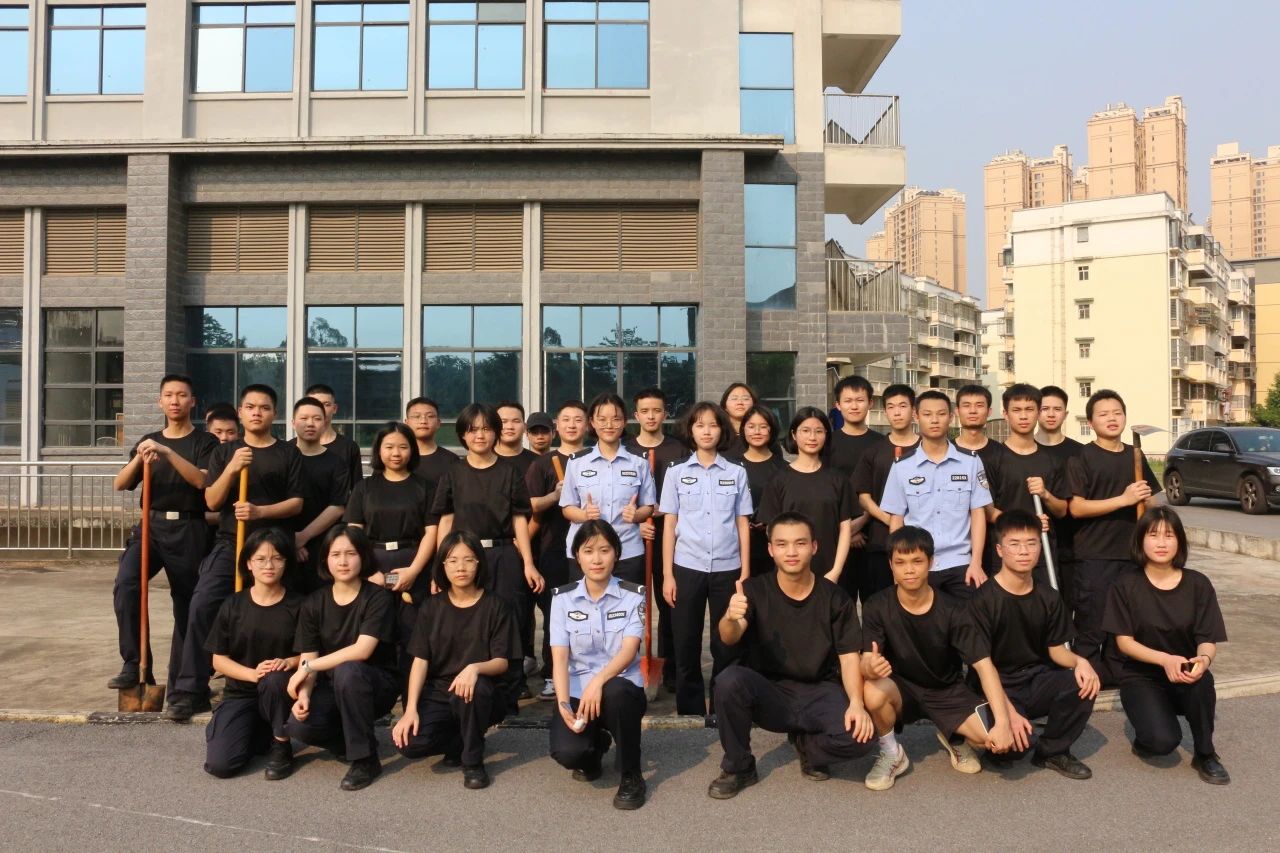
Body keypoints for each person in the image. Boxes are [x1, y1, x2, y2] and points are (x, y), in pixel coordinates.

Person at [707, 512, 874, 799]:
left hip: (820, 690)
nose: (792, 552)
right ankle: (739, 766)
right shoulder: (753, 590)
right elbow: (729, 636)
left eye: (800, 543)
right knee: (728, 681)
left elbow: (849, 657)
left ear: (814, 547)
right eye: (782, 544)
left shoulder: (835, 598)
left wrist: (857, 704)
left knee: (862, 739)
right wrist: (730, 618)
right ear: (770, 549)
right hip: (770, 692)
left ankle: (809, 747)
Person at [168, 384, 303, 722]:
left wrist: (260, 512)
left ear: (274, 414)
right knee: (201, 605)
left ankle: (283, 684)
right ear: (241, 413)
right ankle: (190, 690)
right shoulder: (224, 452)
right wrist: (231, 468)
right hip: (233, 544)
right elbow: (212, 501)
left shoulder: (288, 453)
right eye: (251, 407)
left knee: (283, 612)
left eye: (264, 407)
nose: (257, 412)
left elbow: (297, 503)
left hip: (274, 547)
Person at [859, 526, 1014, 791]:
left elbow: (984, 666)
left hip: (946, 690)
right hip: (902, 688)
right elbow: (864, 661)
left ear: (931, 562)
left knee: (994, 741)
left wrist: (1003, 722)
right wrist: (870, 667)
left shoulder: (955, 609)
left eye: (917, 561)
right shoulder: (876, 605)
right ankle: (892, 753)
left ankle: (953, 735)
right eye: (901, 562)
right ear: (891, 565)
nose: (909, 570)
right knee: (872, 691)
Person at [968, 511, 1099, 780]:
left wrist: (1081, 662)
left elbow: (1056, 650)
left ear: (1040, 547)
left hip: (1036, 679)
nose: (1024, 551)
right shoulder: (982, 601)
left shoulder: (1048, 597)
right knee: (1012, 750)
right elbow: (983, 669)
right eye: (1014, 544)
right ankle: (988, 735)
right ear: (999, 550)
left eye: (1031, 543)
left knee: (1083, 681)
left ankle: (1053, 751)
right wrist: (1008, 714)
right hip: (994, 685)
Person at [1103, 507, 1229, 784]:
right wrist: (1164, 659)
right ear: (1140, 541)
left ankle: (1206, 753)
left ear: (1179, 542)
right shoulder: (1125, 585)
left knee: (1203, 681)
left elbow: (1207, 639)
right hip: (1141, 676)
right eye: (1153, 535)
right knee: (1162, 743)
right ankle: (1149, 729)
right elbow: (1124, 642)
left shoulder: (1198, 584)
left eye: (1169, 535)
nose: (1161, 543)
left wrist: (1203, 661)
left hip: (1185, 671)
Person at [110, 375, 219, 692]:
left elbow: (201, 481)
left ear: (192, 402)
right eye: (168, 395)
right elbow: (120, 483)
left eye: (181, 395)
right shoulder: (148, 440)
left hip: (189, 527)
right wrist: (140, 458)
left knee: (186, 603)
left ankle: (185, 682)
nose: (175, 401)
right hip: (151, 526)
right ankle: (134, 663)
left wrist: (168, 453)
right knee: (127, 584)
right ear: (160, 402)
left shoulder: (205, 442)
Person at [433, 403, 544, 708]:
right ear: (462, 435)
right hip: (465, 557)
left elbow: (519, 519)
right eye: (472, 430)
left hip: (504, 553)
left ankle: (513, 688)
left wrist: (528, 563)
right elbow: (445, 520)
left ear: (496, 432)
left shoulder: (509, 472)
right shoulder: (453, 473)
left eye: (486, 429)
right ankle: (469, 686)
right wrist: (440, 567)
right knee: (470, 620)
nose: (479, 435)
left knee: (512, 617)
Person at [392, 531, 517, 790]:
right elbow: (420, 661)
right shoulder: (431, 607)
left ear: (479, 563)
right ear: (443, 566)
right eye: (453, 560)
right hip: (440, 690)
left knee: (473, 690)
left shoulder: (496, 606)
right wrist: (410, 709)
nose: (461, 567)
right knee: (410, 744)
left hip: (483, 690)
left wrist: (474, 668)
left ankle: (473, 761)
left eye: (469, 560)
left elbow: (502, 661)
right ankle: (460, 740)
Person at [285, 524, 400, 791]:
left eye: (351, 553)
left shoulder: (378, 598)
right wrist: (304, 694)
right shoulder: (313, 602)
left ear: (363, 556)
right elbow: (308, 654)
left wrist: (308, 667)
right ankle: (351, 743)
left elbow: (362, 650)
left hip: (375, 685)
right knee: (300, 727)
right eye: (335, 554)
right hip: (333, 686)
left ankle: (365, 760)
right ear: (325, 559)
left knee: (349, 670)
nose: (343, 561)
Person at [660, 402, 752, 716]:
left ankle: (723, 707)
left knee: (726, 643)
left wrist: (745, 571)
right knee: (686, 643)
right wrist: (668, 575)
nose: (707, 431)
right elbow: (669, 524)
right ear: (691, 430)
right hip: (687, 567)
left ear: (722, 430)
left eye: (713, 425)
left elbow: (742, 523)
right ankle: (690, 712)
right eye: (700, 425)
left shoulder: (736, 472)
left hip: (728, 568)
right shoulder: (676, 472)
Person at [549, 520, 649, 810]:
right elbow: (560, 658)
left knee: (616, 691)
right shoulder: (562, 599)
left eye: (604, 550)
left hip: (621, 688)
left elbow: (629, 651)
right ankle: (594, 749)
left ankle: (631, 774)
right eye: (588, 551)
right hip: (579, 692)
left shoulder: (633, 595)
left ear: (616, 554)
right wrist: (563, 703)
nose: (596, 559)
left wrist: (597, 682)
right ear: (577, 556)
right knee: (568, 753)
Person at [1066, 389, 1161, 686]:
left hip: (1132, 554)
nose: (1111, 418)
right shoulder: (1081, 457)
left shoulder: (1135, 455)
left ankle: (1117, 678)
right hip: (1095, 555)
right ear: (1091, 422)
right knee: (1091, 622)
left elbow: (1152, 501)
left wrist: (1147, 502)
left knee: (1125, 622)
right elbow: (1076, 508)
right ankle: (1084, 680)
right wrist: (1123, 499)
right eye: (1103, 414)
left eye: (1117, 413)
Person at [203, 527, 303, 780]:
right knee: (221, 765)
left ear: (286, 563)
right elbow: (218, 660)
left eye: (277, 558)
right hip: (241, 693)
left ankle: (281, 744)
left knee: (274, 679)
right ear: (248, 563)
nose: (269, 565)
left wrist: (289, 661)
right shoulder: (233, 604)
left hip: (281, 691)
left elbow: (310, 654)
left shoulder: (300, 605)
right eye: (260, 559)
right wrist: (252, 674)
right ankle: (256, 733)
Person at [345, 422, 438, 689]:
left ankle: (413, 693)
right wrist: (368, 571)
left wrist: (414, 571)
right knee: (375, 630)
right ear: (378, 450)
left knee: (413, 633)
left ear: (412, 450)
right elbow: (354, 532)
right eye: (389, 447)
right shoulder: (364, 488)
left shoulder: (425, 487)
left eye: (402, 447)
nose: (396, 453)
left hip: (413, 562)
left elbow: (431, 532)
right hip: (373, 563)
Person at [880, 390, 991, 601]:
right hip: (918, 564)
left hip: (960, 563)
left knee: (969, 619)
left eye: (941, 414)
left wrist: (976, 562)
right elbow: (896, 519)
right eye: (927, 414)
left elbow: (978, 514)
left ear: (951, 417)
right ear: (916, 416)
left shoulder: (970, 462)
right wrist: (899, 570)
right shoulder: (902, 466)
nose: (934, 420)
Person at [625, 386, 687, 693]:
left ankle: (671, 670)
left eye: (657, 411)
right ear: (636, 415)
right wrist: (638, 522)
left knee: (670, 603)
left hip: (670, 537)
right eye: (645, 411)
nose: (651, 416)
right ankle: (627, 666)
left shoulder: (679, 450)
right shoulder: (625, 450)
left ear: (665, 414)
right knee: (630, 604)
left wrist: (662, 513)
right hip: (632, 538)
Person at [526, 400, 589, 700]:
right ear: (557, 427)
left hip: (590, 549)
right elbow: (529, 505)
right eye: (566, 420)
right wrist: (555, 495)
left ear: (587, 425)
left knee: (589, 612)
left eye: (578, 419)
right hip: (553, 549)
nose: (572, 425)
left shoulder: (596, 459)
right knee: (557, 614)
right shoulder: (542, 464)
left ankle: (588, 671)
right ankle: (553, 674)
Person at [560, 392, 656, 585]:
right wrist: (584, 515)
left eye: (616, 419)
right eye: (602, 419)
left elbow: (649, 505)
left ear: (624, 422)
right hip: (586, 550)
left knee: (628, 603)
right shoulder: (577, 462)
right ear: (592, 423)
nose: (609, 425)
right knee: (585, 603)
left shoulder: (639, 461)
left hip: (627, 550)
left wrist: (636, 515)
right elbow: (567, 507)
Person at [756, 407, 854, 584]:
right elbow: (772, 531)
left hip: (831, 571)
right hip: (789, 572)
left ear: (826, 435)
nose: (812, 437)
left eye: (819, 431)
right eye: (806, 431)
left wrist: (836, 571)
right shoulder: (778, 480)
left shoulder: (838, 479)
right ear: (794, 434)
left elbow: (845, 529)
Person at [991, 384, 1067, 583]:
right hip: (1005, 552)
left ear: (1038, 413)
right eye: (1016, 410)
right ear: (1005, 415)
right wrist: (1029, 523)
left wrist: (1045, 494)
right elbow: (985, 510)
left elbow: (1062, 510)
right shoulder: (993, 458)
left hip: (1042, 553)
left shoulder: (1052, 460)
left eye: (1029, 409)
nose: (1023, 416)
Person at [853, 384, 919, 604]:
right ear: (885, 411)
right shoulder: (873, 451)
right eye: (891, 407)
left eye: (903, 406)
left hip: (922, 541)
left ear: (914, 410)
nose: (897, 412)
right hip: (881, 542)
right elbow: (863, 496)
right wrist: (890, 520)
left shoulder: (927, 449)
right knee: (880, 604)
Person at [825, 375, 882, 602]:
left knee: (876, 604)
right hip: (836, 535)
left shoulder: (882, 444)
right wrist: (848, 529)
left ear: (870, 403)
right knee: (840, 604)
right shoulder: (827, 444)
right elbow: (826, 489)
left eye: (860, 400)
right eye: (848, 401)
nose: (854, 406)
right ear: (838, 405)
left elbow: (885, 489)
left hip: (875, 534)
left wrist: (862, 522)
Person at [289, 397, 350, 594]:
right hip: (284, 542)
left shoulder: (337, 463)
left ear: (325, 423)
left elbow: (338, 506)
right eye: (304, 418)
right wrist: (292, 540)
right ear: (293, 422)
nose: (310, 423)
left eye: (316, 419)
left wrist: (303, 537)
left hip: (323, 545)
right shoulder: (282, 456)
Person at [1036, 385, 1085, 607]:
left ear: (1066, 414)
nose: (1051, 414)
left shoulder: (1080, 452)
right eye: (1045, 408)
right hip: (1037, 543)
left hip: (1073, 543)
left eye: (1057, 409)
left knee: (1070, 606)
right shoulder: (1025, 450)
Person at [954, 384, 1005, 572]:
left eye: (979, 405)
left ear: (989, 411)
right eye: (966, 405)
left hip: (996, 541)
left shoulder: (1002, 453)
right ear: (957, 411)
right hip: (956, 544)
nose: (973, 411)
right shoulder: (945, 453)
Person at [736, 405, 788, 579]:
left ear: (771, 430)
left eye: (763, 426)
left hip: (775, 547)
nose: (757, 432)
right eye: (751, 426)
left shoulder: (784, 468)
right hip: (735, 547)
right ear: (743, 430)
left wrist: (769, 522)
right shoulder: (730, 467)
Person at [304, 383, 364, 489]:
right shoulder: (292, 448)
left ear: (334, 408)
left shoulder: (349, 447)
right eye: (315, 404)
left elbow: (357, 489)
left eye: (326, 404)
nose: (320, 409)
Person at [405, 396, 458, 493]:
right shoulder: (398, 458)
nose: (423, 421)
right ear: (406, 423)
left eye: (430, 416)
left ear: (438, 423)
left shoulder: (451, 460)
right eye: (417, 416)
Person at [202, 403, 240, 533]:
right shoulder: (200, 459)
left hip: (234, 530)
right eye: (218, 432)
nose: (224, 438)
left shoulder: (242, 459)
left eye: (230, 432)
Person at [496, 400, 539, 477]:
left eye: (516, 421)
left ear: (525, 427)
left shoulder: (538, 462)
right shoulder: (483, 460)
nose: (510, 427)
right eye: (504, 422)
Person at [719, 382, 758, 457]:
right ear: (725, 406)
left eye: (745, 399)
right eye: (734, 399)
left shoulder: (761, 435)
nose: (740, 402)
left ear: (754, 404)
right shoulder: (718, 435)